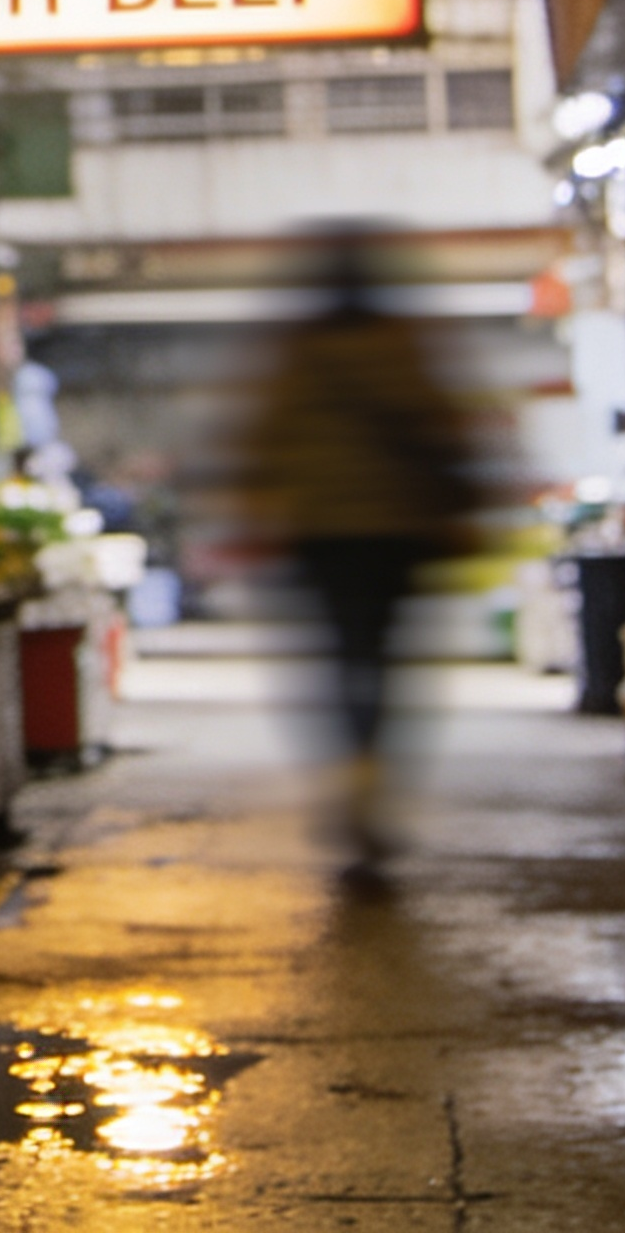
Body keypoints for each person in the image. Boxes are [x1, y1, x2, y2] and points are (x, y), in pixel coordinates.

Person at [231, 223, 481, 872]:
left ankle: (351, 779)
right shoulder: (400, 342)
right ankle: (372, 783)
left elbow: (262, 437)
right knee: (386, 658)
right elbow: (441, 421)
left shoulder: (296, 351)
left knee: (340, 656)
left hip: (319, 533)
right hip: (395, 533)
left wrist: (256, 509)